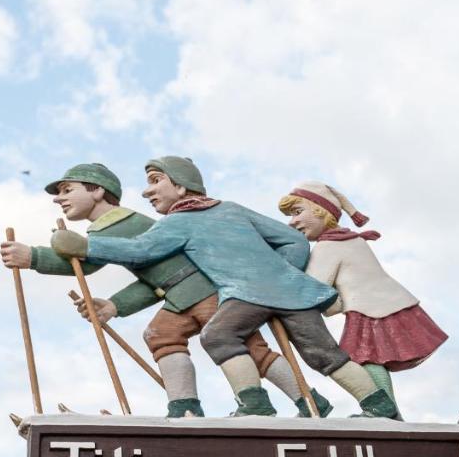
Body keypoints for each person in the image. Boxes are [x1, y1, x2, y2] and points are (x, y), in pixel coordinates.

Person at [48, 157, 398, 419]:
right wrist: (279, 270)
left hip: (247, 295)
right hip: (293, 290)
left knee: (217, 336)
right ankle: (379, 406)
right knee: (323, 353)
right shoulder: (231, 208)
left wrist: (87, 247)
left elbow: (141, 250)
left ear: (181, 187)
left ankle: (255, 404)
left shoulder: (178, 223)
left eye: (156, 181)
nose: (146, 191)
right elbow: (293, 240)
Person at [0, 161, 330, 418]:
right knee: (160, 335)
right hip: (177, 297)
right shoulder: (104, 229)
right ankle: (184, 407)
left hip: (206, 292)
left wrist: (34, 256)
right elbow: (152, 279)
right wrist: (114, 305)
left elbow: (90, 261)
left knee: (250, 349)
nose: (60, 198)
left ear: (97, 191)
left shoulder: (127, 222)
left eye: (68, 189)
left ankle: (303, 400)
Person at [278, 182, 447, 420]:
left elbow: (313, 287)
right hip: (382, 305)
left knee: (366, 358)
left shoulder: (329, 246)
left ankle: (386, 414)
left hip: (372, 310)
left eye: (297, 212)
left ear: (321, 210)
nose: (292, 222)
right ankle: (390, 413)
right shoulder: (350, 240)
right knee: (370, 359)